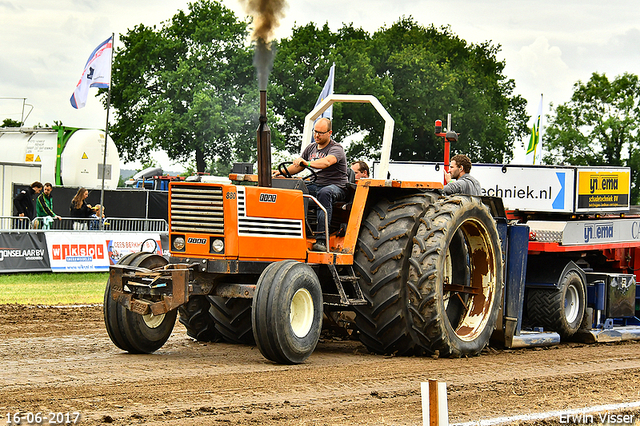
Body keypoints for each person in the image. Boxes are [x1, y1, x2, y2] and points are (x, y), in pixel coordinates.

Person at [274, 117, 348, 251]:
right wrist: (281, 172)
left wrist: (307, 163)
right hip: (317, 183)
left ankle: (321, 239)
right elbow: (297, 168)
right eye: (315, 131)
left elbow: (326, 162)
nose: (317, 135)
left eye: (320, 132)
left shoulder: (336, 149)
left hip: (337, 186)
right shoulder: (311, 148)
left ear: (329, 133)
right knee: (296, 188)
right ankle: (290, 231)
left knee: (325, 193)